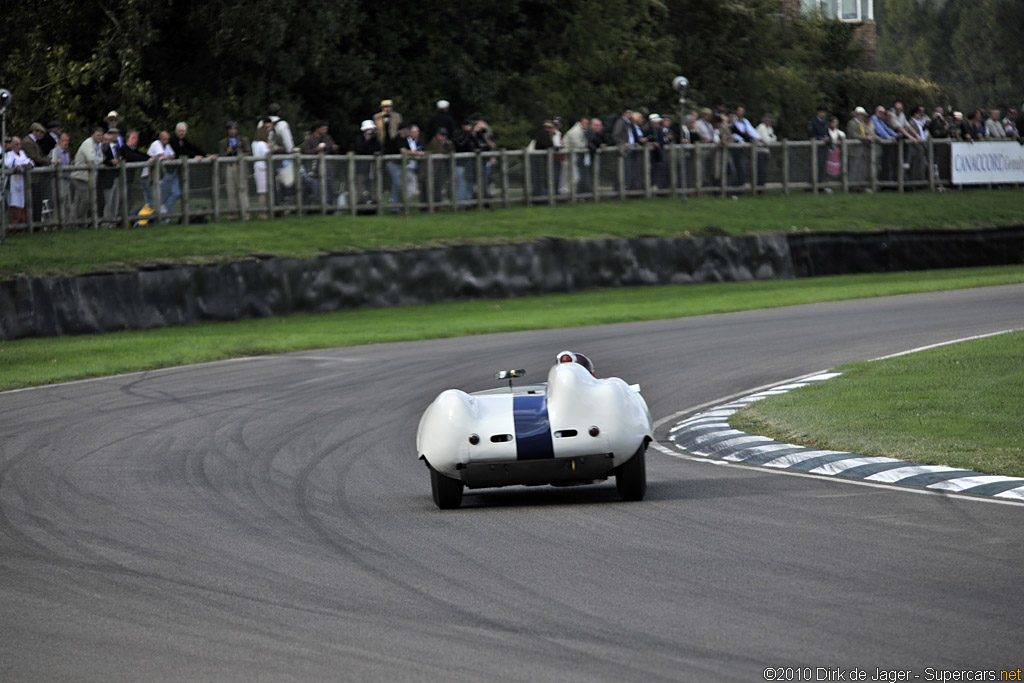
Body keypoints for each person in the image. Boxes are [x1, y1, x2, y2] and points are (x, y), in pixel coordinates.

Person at [299, 120, 338, 204]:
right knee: (316, 184)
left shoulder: (327, 137)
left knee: (329, 182)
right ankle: (317, 203)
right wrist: (316, 150)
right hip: (313, 167)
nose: (325, 131)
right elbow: (305, 151)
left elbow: (331, 146)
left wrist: (332, 147)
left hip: (326, 165)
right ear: (318, 129)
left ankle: (330, 203)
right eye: (323, 129)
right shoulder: (310, 139)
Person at [218, 121, 251, 217]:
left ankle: (245, 212)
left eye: (234, 128)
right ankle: (233, 213)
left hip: (240, 166)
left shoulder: (243, 140)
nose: (232, 131)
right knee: (230, 190)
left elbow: (249, 152)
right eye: (230, 129)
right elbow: (220, 156)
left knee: (243, 189)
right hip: (229, 166)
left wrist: (240, 153)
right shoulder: (223, 142)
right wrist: (227, 152)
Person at [71, 127, 104, 221]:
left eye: (101, 135)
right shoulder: (88, 143)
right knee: (87, 200)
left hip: (88, 177)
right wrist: (98, 160)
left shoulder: (98, 145)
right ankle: (78, 220)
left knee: (78, 201)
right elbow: (91, 159)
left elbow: (101, 158)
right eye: (98, 135)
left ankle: (74, 221)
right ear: (92, 135)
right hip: (80, 177)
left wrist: (98, 160)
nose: (99, 137)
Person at [21, 122, 51, 222]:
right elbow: (34, 157)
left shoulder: (33, 142)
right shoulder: (28, 142)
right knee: (34, 200)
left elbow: (40, 156)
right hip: (31, 178)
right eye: (41, 133)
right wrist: (49, 161)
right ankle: (33, 223)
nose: (42, 135)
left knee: (37, 200)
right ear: (35, 132)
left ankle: (36, 223)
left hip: (36, 177)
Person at [4, 137, 33, 225]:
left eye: (19, 144)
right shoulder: (9, 154)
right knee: (14, 206)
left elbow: (29, 161)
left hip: (22, 184)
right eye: (16, 144)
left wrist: (27, 165)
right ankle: (14, 228)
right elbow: (9, 163)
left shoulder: (22, 153)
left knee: (23, 205)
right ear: (12, 145)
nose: (18, 146)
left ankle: (22, 227)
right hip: (13, 185)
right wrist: (17, 165)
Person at [353, 119, 381, 205]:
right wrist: (367, 141)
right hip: (361, 167)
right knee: (360, 183)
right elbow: (360, 149)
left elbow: (378, 148)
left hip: (372, 167)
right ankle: (359, 202)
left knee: (373, 184)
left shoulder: (375, 139)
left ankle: (373, 201)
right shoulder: (359, 139)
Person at [845, 106, 875, 185]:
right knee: (853, 168)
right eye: (860, 114)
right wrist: (865, 138)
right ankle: (851, 185)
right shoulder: (851, 123)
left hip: (861, 150)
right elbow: (853, 135)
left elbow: (866, 132)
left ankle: (858, 185)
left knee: (860, 168)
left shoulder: (862, 124)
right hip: (853, 150)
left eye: (862, 115)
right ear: (856, 115)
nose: (862, 116)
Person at [99, 127, 122, 223]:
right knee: (108, 200)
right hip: (106, 177)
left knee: (115, 200)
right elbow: (102, 161)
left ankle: (113, 221)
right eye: (112, 134)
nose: (114, 136)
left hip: (115, 176)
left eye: (115, 134)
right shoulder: (102, 148)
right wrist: (111, 162)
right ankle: (106, 221)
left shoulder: (116, 147)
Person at [424, 127, 453, 202]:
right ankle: (429, 204)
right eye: (442, 135)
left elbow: (451, 149)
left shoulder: (446, 143)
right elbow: (441, 151)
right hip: (431, 169)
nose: (444, 137)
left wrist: (448, 145)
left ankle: (437, 203)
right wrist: (447, 150)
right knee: (430, 187)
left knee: (438, 186)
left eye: (445, 135)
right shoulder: (433, 142)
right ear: (437, 135)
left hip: (440, 169)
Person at [49, 131, 72, 221]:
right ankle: (57, 222)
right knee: (59, 201)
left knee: (67, 202)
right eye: (64, 140)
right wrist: (55, 163)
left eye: (67, 140)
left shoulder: (67, 152)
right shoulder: (55, 151)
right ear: (59, 141)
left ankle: (67, 222)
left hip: (66, 179)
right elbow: (52, 164)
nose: (66, 142)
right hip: (58, 180)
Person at [251, 120, 272, 218]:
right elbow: (267, 154)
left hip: (258, 168)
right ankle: (263, 213)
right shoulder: (262, 144)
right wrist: (270, 146)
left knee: (263, 192)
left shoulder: (254, 143)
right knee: (263, 192)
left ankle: (264, 212)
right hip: (262, 169)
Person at [807, 105, 831, 188]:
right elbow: (811, 134)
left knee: (822, 166)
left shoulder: (825, 123)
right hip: (816, 147)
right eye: (821, 112)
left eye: (824, 112)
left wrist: (828, 139)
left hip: (824, 148)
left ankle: (821, 185)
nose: (823, 114)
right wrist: (820, 139)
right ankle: (812, 185)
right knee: (815, 165)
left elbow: (827, 133)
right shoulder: (813, 122)